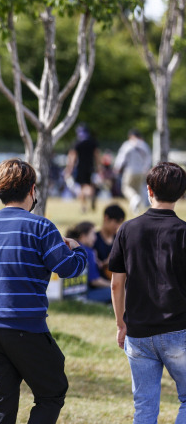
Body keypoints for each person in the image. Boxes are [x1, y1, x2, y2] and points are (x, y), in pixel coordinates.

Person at [0, 158, 87, 424]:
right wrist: (78, 249)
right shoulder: (41, 227)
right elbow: (68, 269)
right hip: (25, 327)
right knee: (52, 391)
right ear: (33, 190)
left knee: (1, 403)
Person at [110, 162, 186, 424]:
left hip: (138, 332)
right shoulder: (184, 232)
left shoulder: (127, 230)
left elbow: (116, 284)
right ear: (181, 193)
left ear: (149, 190)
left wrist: (121, 323)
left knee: (144, 406)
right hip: (178, 330)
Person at [66, 221, 111, 304]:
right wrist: (113, 285)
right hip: (85, 295)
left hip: (67, 294)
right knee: (118, 292)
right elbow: (94, 281)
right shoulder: (88, 252)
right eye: (93, 234)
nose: (95, 238)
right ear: (83, 236)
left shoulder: (69, 247)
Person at [113, 129, 152, 215]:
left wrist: (117, 168)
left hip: (130, 171)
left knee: (126, 188)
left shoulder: (128, 144)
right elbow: (149, 158)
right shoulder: (144, 145)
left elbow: (121, 157)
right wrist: (146, 168)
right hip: (142, 172)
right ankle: (136, 210)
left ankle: (134, 198)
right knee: (138, 189)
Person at [64, 124, 100, 213]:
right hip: (91, 168)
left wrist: (69, 169)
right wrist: (99, 167)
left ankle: (84, 206)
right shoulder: (92, 142)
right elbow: (97, 156)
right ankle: (92, 195)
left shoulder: (77, 143)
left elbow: (72, 158)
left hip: (80, 169)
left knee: (82, 188)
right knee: (90, 186)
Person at [93, 203, 125, 279]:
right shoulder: (93, 239)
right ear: (106, 218)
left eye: (120, 223)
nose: (118, 226)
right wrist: (105, 262)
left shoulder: (120, 240)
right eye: (116, 222)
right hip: (100, 283)